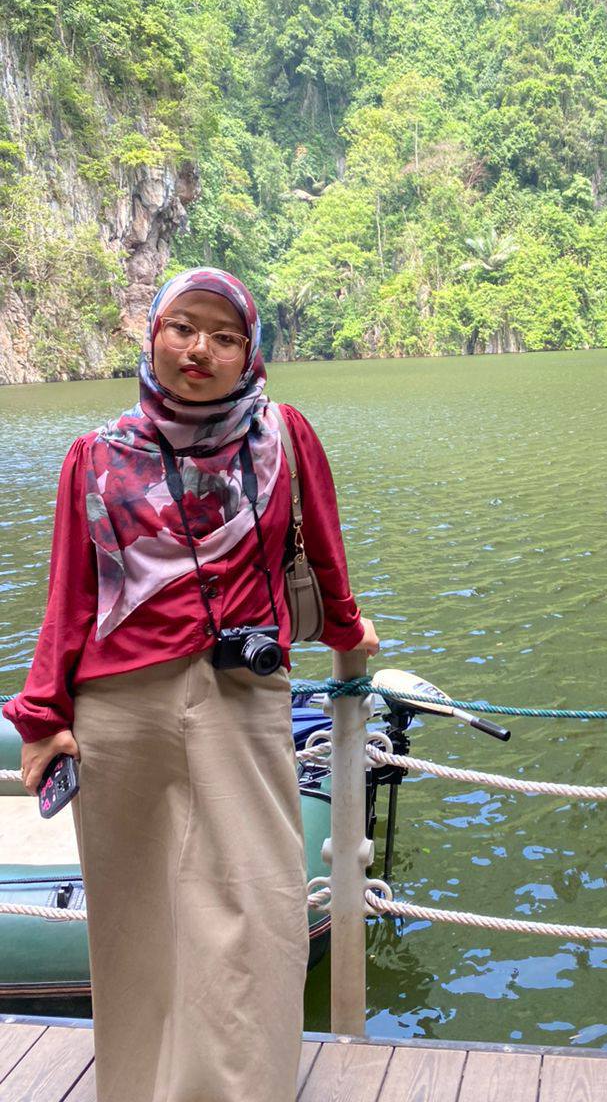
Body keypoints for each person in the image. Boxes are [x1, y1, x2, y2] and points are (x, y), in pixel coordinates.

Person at [4, 266, 379, 1102]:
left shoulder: (282, 436)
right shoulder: (96, 455)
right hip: (119, 709)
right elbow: (70, 596)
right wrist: (42, 714)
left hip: (239, 697)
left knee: (260, 905)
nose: (199, 349)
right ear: (153, 335)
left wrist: (348, 631)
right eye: (182, 327)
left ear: (250, 351)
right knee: (136, 918)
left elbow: (323, 552)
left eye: (224, 335)